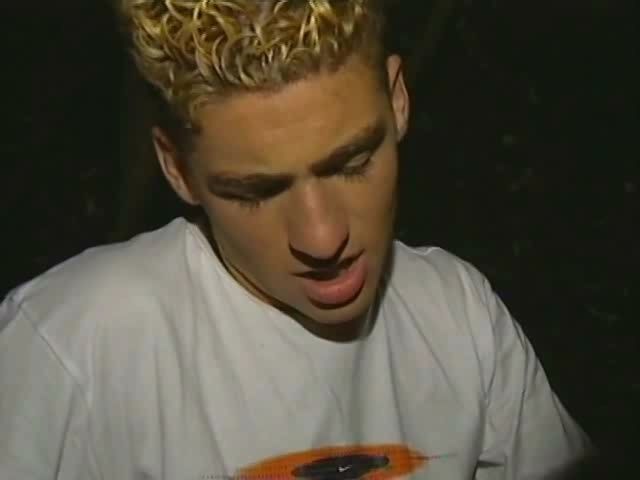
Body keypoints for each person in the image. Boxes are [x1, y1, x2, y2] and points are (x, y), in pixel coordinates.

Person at [0, 1, 594, 479]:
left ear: (398, 100)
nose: (322, 236)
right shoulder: (73, 347)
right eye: (255, 192)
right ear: (176, 167)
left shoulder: (461, 318)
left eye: (353, 163)